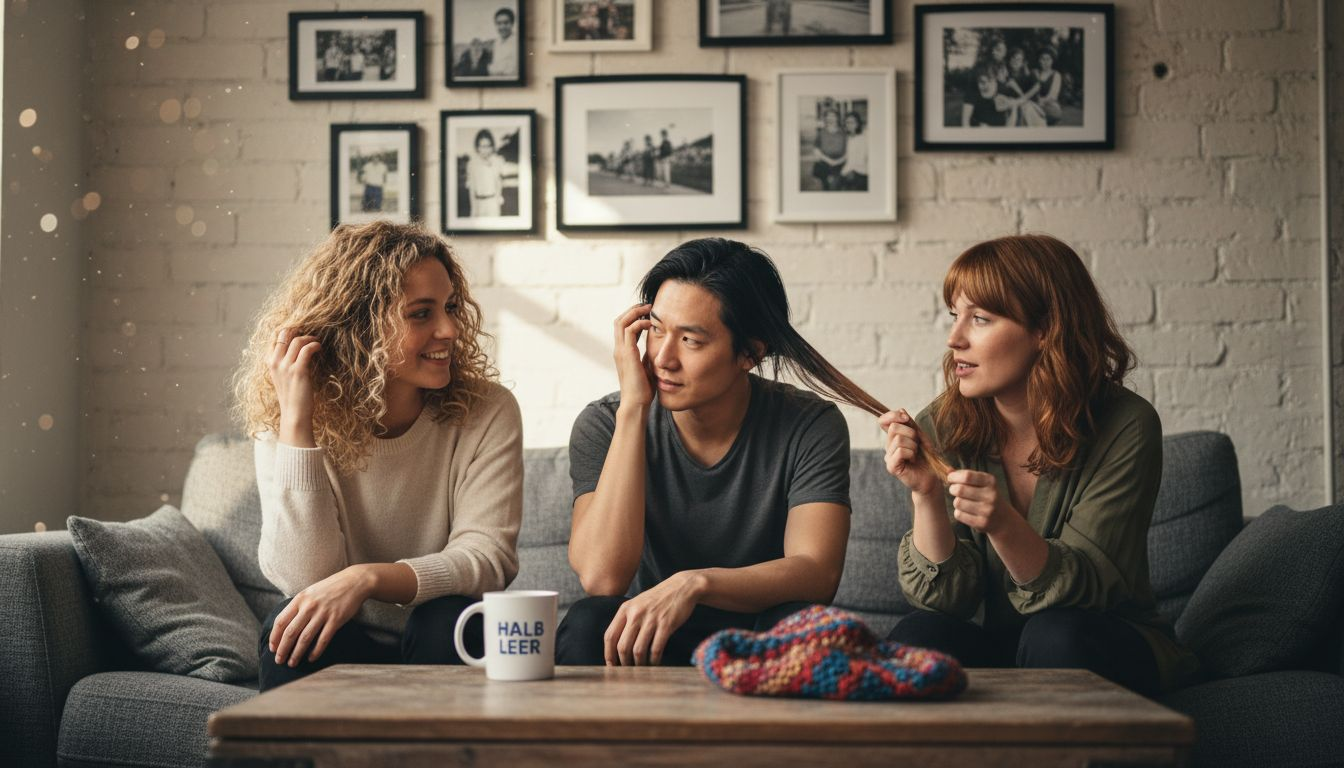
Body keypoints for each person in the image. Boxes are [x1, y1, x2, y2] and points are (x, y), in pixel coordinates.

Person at [878, 234, 1197, 697]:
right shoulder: (941, 425)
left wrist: (1004, 524)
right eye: (955, 316)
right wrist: (925, 495)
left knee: (1056, 635)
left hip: (1099, 639)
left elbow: (1086, 591)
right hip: (997, 643)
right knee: (919, 637)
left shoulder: (1126, 425)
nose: (954, 338)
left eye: (981, 319)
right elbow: (946, 601)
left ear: (1045, 328)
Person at [557, 237, 896, 667]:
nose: (663, 358)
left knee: (804, 624)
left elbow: (817, 573)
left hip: (756, 634)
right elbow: (602, 578)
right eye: (656, 330)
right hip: (650, 637)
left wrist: (695, 583)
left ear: (750, 354)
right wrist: (633, 410)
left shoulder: (810, 424)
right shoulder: (606, 423)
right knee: (591, 621)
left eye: (691, 341)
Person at [233, 221, 523, 691]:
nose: (449, 329)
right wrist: (297, 425)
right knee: (291, 631)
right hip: (342, 634)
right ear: (358, 326)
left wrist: (366, 579)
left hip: (439, 636)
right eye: (421, 314)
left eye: (449, 307)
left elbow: (486, 560)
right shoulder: (290, 416)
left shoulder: (487, 411)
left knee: (448, 619)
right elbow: (303, 579)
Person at [465, 129, 507, 218]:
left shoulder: (497, 161)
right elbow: (472, 189)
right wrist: (473, 209)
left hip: (492, 203)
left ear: (492, 147)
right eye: (482, 146)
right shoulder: (472, 164)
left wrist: (497, 203)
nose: (485, 150)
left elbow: (499, 183)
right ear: (477, 147)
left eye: (488, 146)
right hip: (478, 203)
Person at [1006, 47, 1046, 127]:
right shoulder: (1006, 74)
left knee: (1025, 109)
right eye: (1013, 58)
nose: (1015, 61)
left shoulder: (1029, 74)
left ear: (1022, 63)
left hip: (1028, 103)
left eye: (1019, 60)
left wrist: (1022, 98)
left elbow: (1037, 87)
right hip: (1012, 103)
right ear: (1009, 59)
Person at [812, 108, 847, 191]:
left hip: (840, 163)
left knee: (836, 187)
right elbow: (816, 149)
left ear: (837, 118)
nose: (830, 118)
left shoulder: (843, 133)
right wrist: (829, 161)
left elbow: (849, 150)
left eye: (833, 116)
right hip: (824, 163)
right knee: (826, 187)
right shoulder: (821, 132)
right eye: (828, 116)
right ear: (826, 118)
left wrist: (837, 162)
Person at [1033, 48, 1064, 124]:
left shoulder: (1056, 75)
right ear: (1039, 60)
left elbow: (1053, 95)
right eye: (1042, 59)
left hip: (1048, 103)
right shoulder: (1034, 72)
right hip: (1034, 102)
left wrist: (1041, 101)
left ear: (1052, 61)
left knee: (1056, 112)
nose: (1045, 62)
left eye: (1048, 59)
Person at [840, 112, 868, 191]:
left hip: (861, 172)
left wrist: (844, 173)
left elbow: (860, 160)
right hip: (851, 170)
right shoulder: (849, 138)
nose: (849, 125)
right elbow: (848, 157)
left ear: (858, 123)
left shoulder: (863, 138)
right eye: (847, 122)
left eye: (852, 122)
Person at [489, 7, 518, 78]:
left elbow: (512, 71)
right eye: (499, 23)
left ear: (512, 23)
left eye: (506, 23)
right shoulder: (496, 43)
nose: (502, 27)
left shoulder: (517, 43)